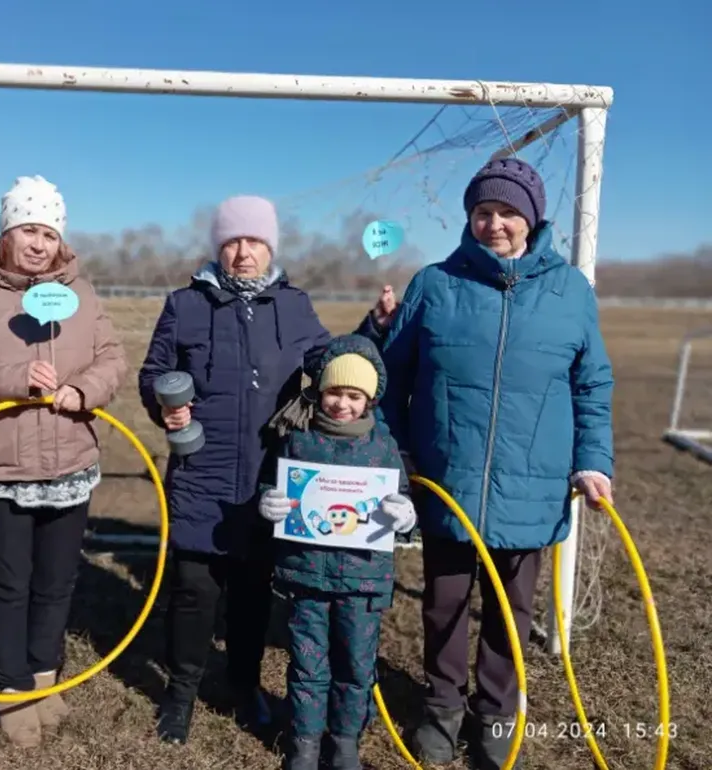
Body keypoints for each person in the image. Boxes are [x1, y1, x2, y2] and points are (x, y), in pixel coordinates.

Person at [356, 158, 614, 770]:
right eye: (483, 211)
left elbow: (592, 384)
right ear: (470, 217)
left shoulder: (570, 290)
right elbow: (391, 379)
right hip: (449, 478)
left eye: (507, 212)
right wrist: (398, 453)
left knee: (511, 612)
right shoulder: (435, 283)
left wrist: (592, 461)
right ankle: (441, 709)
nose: (494, 223)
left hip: (532, 483)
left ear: (532, 219)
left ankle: (496, 712)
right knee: (443, 604)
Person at [0, 175, 128, 750]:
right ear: (5, 233)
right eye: (27, 231)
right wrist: (11, 380)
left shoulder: (80, 291)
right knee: (8, 583)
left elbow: (112, 358)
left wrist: (84, 390)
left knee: (57, 581)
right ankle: (12, 687)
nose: (38, 244)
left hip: (69, 459)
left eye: (48, 233)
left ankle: (43, 674)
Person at [138, 194, 331, 744]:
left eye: (255, 242)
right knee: (193, 591)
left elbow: (329, 361)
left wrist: (373, 331)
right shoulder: (185, 304)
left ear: (271, 247)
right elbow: (154, 372)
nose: (243, 253)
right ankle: (180, 694)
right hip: (201, 472)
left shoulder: (294, 305)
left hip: (269, 477)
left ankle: (243, 687)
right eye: (232, 242)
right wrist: (164, 405)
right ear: (218, 248)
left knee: (252, 593)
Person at [256, 333, 418, 770]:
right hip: (305, 575)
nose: (342, 404)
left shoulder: (382, 447)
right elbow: (272, 482)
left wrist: (405, 516)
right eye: (334, 392)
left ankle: (345, 741)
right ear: (320, 390)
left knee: (356, 665)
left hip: (362, 581)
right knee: (307, 664)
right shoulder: (297, 438)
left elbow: (402, 496)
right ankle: (305, 742)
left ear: (369, 400)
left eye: (353, 396)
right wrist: (269, 502)